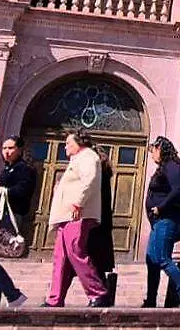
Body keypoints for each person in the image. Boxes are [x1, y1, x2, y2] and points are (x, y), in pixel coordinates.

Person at [43, 130, 110, 307]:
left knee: (76, 251)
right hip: (66, 215)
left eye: (68, 143)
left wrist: (78, 203)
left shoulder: (88, 157)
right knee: (61, 257)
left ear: (79, 143)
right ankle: (55, 298)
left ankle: (98, 292)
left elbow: (90, 181)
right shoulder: (77, 160)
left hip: (77, 213)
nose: (65, 146)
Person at [0, 136, 36, 307]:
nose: (6, 152)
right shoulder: (8, 169)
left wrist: (0, 188)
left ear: (20, 150)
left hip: (8, 217)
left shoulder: (23, 169)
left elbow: (22, 192)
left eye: (10, 148)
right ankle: (12, 295)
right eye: (4, 148)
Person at [141, 136, 180, 309]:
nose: (152, 155)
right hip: (158, 222)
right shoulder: (163, 168)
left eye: (153, 151)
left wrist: (161, 207)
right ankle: (151, 299)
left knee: (163, 258)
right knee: (152, 260)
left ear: (161, 149)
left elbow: (177, 190)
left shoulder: (172, 166)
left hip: (167, 219)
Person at [87, 148, 116, 282]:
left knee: (94, 261)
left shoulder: (97, 174)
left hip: (95, 221)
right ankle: (102, 293)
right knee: (97, 263)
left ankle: (101, 294)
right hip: (102, 221)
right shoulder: (104, 173)